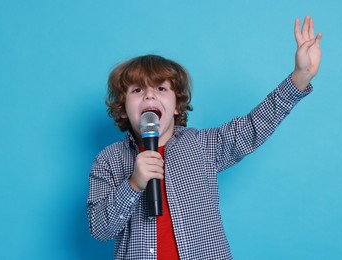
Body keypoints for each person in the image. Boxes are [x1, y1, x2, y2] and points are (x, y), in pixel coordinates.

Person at [87, 16, 322, 259]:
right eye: (137, 90)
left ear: (177, 105)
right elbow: (100, 230)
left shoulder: (203, 145)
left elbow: (253, 126)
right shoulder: (108, 161)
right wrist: (134, 184)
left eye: (160, 89)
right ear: (124, 108)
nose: (149, 97)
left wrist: (300, 77)